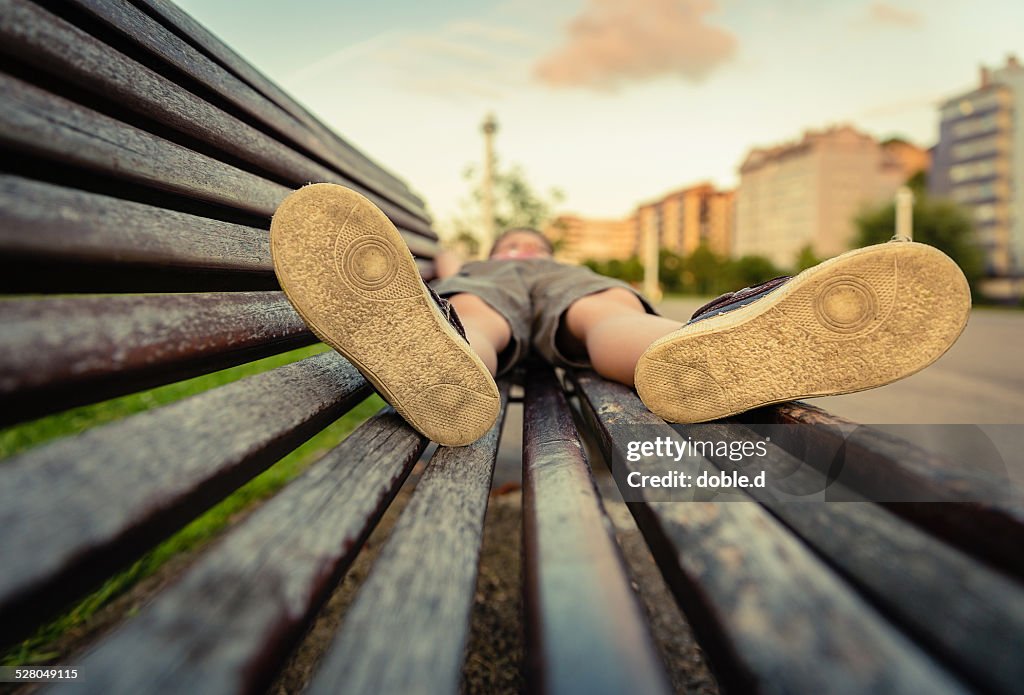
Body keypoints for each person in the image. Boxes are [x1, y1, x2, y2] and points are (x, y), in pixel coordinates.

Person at [270, 183, 971, 446]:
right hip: (491, 296)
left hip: (574, 291)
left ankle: (705, 349)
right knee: (478, 314)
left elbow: (557, 283)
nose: (523, 246)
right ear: (497, 249)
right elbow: (447, 270)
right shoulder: (478, 270)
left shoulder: (569, 269)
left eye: (530, 242)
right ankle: (440, 363)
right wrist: (454, 272)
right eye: (514, 242)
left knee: (606, 316)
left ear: (546, 249)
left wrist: (474, 267)